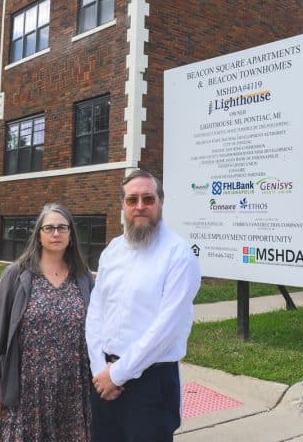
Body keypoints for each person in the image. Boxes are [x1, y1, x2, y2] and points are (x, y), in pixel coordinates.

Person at [86, 169, 202, 441]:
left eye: (148, 199)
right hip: (103, 379)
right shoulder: (112, 251)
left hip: (152, 384)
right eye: (132, 199)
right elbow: (95, 313)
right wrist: (99, 372)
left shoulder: (178, 255)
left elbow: (166, 329)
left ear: (160, 202)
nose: (140, 206)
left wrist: (118, 374)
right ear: (123, 205)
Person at [0, 203, 93, 442]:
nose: (56, 233)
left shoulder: (83, 277)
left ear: (71, 235)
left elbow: (99, 327)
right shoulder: (17, 274)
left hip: (72, 387)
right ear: (38, 235)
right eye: (49, 228)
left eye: (62, 228)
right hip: (26, 386)